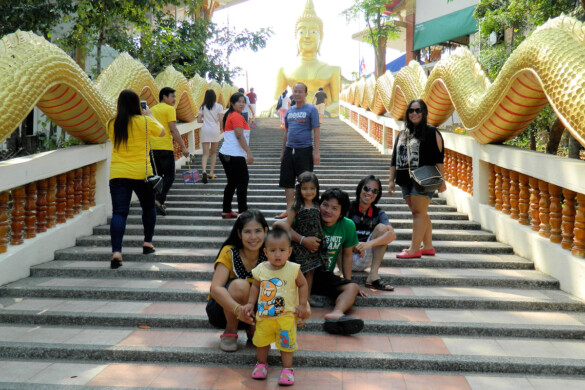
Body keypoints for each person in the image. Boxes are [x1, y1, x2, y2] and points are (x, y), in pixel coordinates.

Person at [287, 188, 366, 335]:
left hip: (324, 274)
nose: (327, 210)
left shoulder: (347, 225)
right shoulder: (309, 216)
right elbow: (284, 228)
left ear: (341, 213)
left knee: (352, 287)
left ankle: (336, 313)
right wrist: (303, 240)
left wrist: (347, 281)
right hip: (301, 273)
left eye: (334, 208)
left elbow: (347, 255)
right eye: (325, 205)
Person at [241, 227, 310, 386]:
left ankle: (287, 369)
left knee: (286, 345)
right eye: (273, 250)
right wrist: (251, 303)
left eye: (282, 250)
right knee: (261, 342)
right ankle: (261, 364)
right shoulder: (261, 269)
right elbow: (255, 287)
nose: (277, 254)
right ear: (265, 252)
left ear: (289, 252)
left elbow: (303, 285)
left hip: (285, 317)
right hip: (265, 316)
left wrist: (302, 304)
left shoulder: (293, 269)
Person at [107, 90, 165, 269]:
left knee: (119, 213)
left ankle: (117, 252)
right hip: (142, 173)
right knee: (148, 208)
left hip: (118, 173)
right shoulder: (146, 122)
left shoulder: (112, 123)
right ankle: (147, 244)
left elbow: (113, 140)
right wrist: (149, 115)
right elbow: (162, 132)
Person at [389, 99, 446, 259]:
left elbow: (439, 158)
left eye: (418, 110)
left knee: (418, 213)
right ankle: (427, 246)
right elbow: (394, 159)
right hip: (404, 179)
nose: (414, 113)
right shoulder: (402, 134)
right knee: (420, 212)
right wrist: (391, 181)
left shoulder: (432, 132)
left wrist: (442, 180)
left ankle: (414, 249)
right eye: (411, 110)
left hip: (423, 179)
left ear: (424, 113)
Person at [207, 209, 269, 352]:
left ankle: (254, 328)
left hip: (257, 312)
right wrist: (237, 309)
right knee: (240, 285)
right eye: (247, 232)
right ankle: (230, 330)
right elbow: (215, 288)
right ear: (239, 234)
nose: (253, 237)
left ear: (265, 231)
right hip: (224, 311)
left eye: (258, 231)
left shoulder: (270, 253)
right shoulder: (230, 252)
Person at [271, 0, 341, 117]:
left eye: (313, 31)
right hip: (295, 112)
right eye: (302, 31)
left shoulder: (333, 70)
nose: (307, 36)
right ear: (295, 37)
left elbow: (338, 102)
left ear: (321, 37)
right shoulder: (284, 70)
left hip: (320, 113)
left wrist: (322, 110)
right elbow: (276, 100)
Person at [274, 171, 328, 307]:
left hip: (315, 244)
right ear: (299, 189)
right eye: (305, 188)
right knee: (300, 273)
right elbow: (287, 226)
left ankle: (306, 299)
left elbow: (319, 224)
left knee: (311, 272)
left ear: (317, 189)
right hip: (300, 246)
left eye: (312, 188)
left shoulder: (317, 205)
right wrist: (302, 239)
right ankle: (297, 299)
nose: (308, 192)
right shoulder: (296, 206)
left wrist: (322, 239)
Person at [275, 82, 320, 220]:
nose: (298, 94)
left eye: (300, 91)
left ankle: (305, 210)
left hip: (304, 149)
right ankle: (289, 210)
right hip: (290, 149)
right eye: (295, 91)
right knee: (287, 181)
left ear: (306, 94)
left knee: (305, 181)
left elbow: (316, 131)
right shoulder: (289, 111)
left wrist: (316, 152)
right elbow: (286, 132)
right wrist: (283, 152)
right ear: (292, 93)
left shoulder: (311, 109)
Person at [347, 175, 397, 291]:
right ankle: (344, 277)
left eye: (374, 191)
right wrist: (355, 245)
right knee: (340, 225)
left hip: (365, 255)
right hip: (345, 254)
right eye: (366, 188)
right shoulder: (348, 207)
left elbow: (392, 235)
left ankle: (373, 275)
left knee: (382, 228)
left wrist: (368, 244)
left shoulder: (378, 213)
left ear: (377, 195)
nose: (369, 193)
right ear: (360, 189)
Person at [150, 87, 189, 216]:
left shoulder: (152, 110)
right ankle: (158, 201)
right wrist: (183, 147)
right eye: (172, 96)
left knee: (159, 177)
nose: (174, 99)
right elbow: (173, 130)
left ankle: (156, 202)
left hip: (152, 148)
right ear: (164, 97)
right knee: (170, 176)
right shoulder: (170, 109)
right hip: (165, 147)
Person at [219, 93, 255, 219]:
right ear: (232, 103)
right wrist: (249, 153)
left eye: (243, 101)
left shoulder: (231, 115)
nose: (242, 104)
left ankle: (226, 210)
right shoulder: (236, 116)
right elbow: (239, 136)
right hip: (234, 154)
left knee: (232, 182)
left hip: (227, 153)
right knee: (242, 181)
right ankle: (243, 211)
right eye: (238, 102)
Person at [197, 89, 224, 183]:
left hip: (205, 130)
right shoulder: (219, 106)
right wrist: (221, 128)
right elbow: (221, 119)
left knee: (205, 154)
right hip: (214, 130)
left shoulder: (202, 107)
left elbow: (198, 120)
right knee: (213, 153)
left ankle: (204, 171)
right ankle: (211, 173)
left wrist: (206, 121)